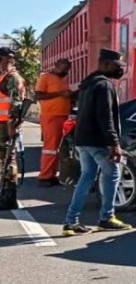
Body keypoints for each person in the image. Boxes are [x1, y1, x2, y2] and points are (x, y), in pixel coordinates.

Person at [62, 49, 133, 236]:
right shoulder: (104, 86)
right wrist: (114, 143)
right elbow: (105, 117)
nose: (121, 70)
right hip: (97, 141)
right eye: (117, 66)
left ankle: (71, 221)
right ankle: (106, 218)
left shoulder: (88, 84)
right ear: (105, 64)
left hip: (83, 139)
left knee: (87, 177)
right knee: (112, 174)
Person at [34, 58, 74, 187]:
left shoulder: (62, 79)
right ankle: (44, 177)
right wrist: (61, 94)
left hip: (63, 116)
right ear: (56, 65)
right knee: (50, 148)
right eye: (64, 68)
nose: (66, 71)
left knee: (57, 148)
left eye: (68, 69)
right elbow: (38, 95)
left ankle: (52, 175)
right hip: (51, 116)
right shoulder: (45, 77)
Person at [0, 48, 27, 188]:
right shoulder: (3, 76)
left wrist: (12, 124)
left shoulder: (13, 78)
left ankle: (8, 192)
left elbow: (16, 103)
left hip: (6, 125)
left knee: (8, 159)